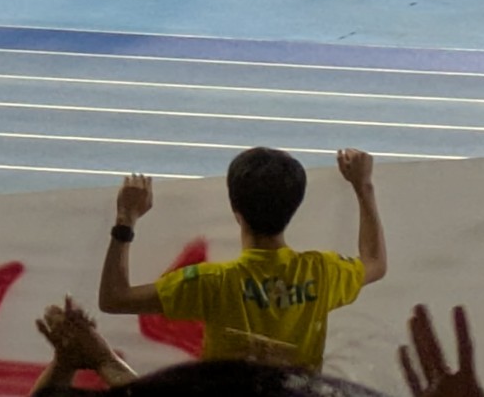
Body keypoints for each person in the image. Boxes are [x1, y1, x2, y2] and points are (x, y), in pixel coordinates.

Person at [96, 146, 387, 371]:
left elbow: (114, 298)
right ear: (294, 207)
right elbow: (375, 261)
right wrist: (363, 186)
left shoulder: (212, 283)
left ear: (236, 212)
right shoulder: (322, 272)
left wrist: (126, 220)